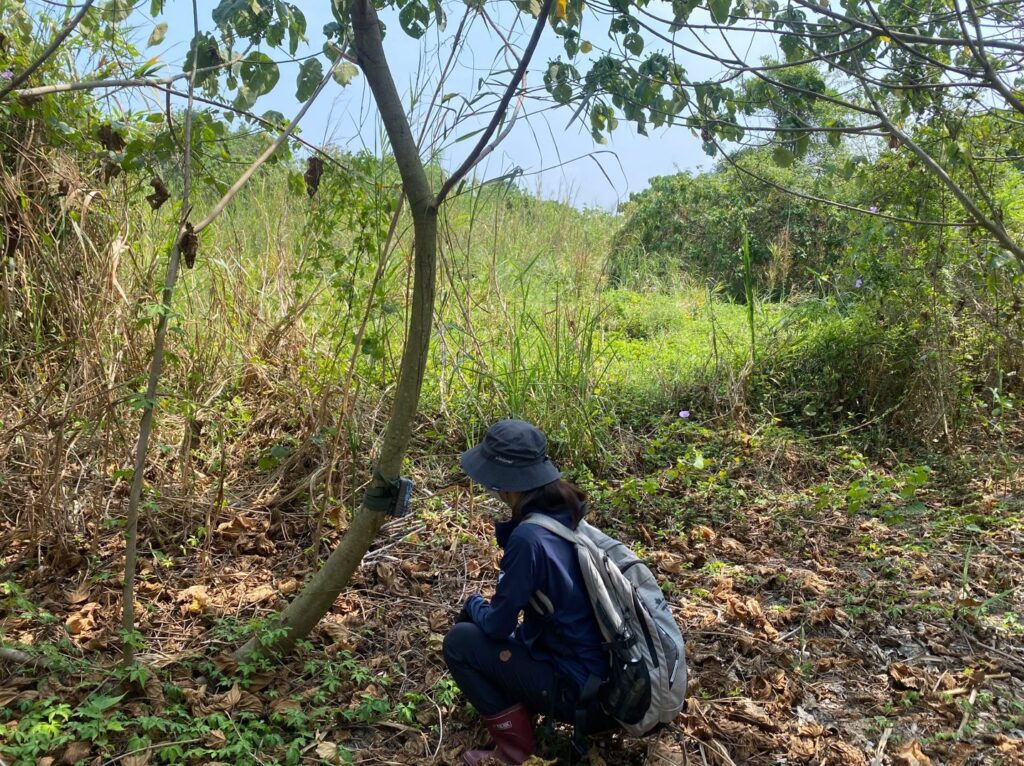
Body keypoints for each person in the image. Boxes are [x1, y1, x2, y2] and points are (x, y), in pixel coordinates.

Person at [442, 419, 611, 766]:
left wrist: (473, 604)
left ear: (504, 482)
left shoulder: (528, 538)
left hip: (577, 690)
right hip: (605, 682)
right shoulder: (566, 514)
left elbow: (496, 627)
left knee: (460, 641)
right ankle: (522, 714)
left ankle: (513, 753)